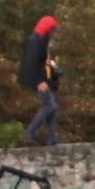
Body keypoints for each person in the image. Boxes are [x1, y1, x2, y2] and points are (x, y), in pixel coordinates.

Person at [21, 12, 63, 145]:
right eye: (52, 30)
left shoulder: (43, 42)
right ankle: (30, 132)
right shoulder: (34, 41)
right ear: (47, 29)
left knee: (52, 106)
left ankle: (51, 139)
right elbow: (30, 63)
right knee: (50, 105)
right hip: (37, 79)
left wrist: (54, 76)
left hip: (43, 79)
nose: (54, 33)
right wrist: (39, 81)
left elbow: (45, 62)